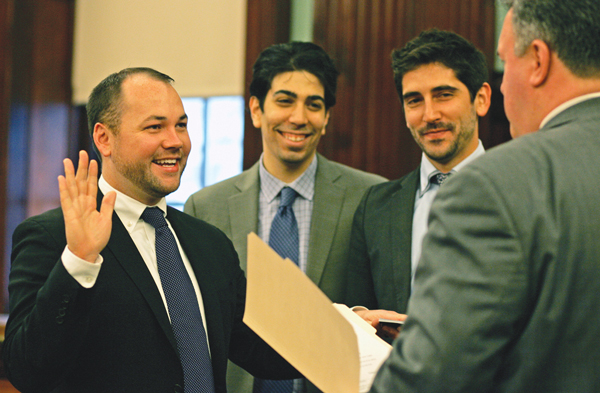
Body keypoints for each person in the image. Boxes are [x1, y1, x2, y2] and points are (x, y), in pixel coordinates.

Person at [2, 67, 298, 393]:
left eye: (181, 125)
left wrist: (352, 330)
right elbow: (27, 370)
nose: (175, 141)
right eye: (155, 127)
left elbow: (259, 347)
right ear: (104, 138)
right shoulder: (52, 238)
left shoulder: (209, 243)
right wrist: (79, 260)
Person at [370, 0, 600, 391]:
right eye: (414, 100)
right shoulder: (377, 205)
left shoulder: (492, 186)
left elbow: (429, 377)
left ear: (539, 60)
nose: (505, 83)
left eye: (505, 63)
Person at [184, 42, 386, 393]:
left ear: (326, 120)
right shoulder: (207, 207)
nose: (298, 117)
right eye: (284, 100)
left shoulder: (369, 197)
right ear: (256, 110)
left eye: (314, 104)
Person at [344, 29, 491, 327]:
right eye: (414, 101)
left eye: (444, 95)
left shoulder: (524, 193)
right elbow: (354, 307)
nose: (429, 114)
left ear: (481, 99)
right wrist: (360, 319)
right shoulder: (376, 207)